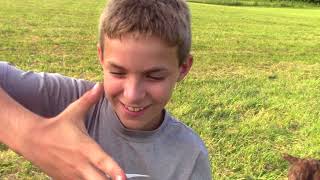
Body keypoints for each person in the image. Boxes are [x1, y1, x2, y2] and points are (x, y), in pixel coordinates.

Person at [0, 0, 212, 179]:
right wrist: (30, 136)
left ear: (183, 68)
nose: (132, 94)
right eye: (118, 73)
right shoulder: (71, 100)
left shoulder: (190, 156)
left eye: (154, 76)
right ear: (101, 57)